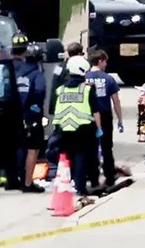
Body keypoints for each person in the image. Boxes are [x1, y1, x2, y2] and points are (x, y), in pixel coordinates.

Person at [52, 55, 101, 195]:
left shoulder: (60, 90)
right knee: (82, 157)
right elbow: (95, 111)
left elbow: (55, 108)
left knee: (70, 157)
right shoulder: (87, 89)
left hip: (64, 129)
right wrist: (99, 128)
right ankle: (81, 186)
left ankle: (72, 182)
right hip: (83, 128)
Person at [85, 48, 124, 192]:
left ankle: (92, 176)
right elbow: (116, 101)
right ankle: (109, 175)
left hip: (88, 115)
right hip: (105, 115)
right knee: (107, 147)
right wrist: (120, 119)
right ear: (100, 61)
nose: (106, 64)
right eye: (105, 61)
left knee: (91, 147)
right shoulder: (108, 79)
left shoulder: (85, 77)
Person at [11, 37, 47, 192]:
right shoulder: (37, 74)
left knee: (18, 147)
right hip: (32, 116)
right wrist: (36, 108)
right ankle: (27, 183)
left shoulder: (17, 72)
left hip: (16, 114)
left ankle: (13, 180)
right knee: (33, 149)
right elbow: (39, 91)